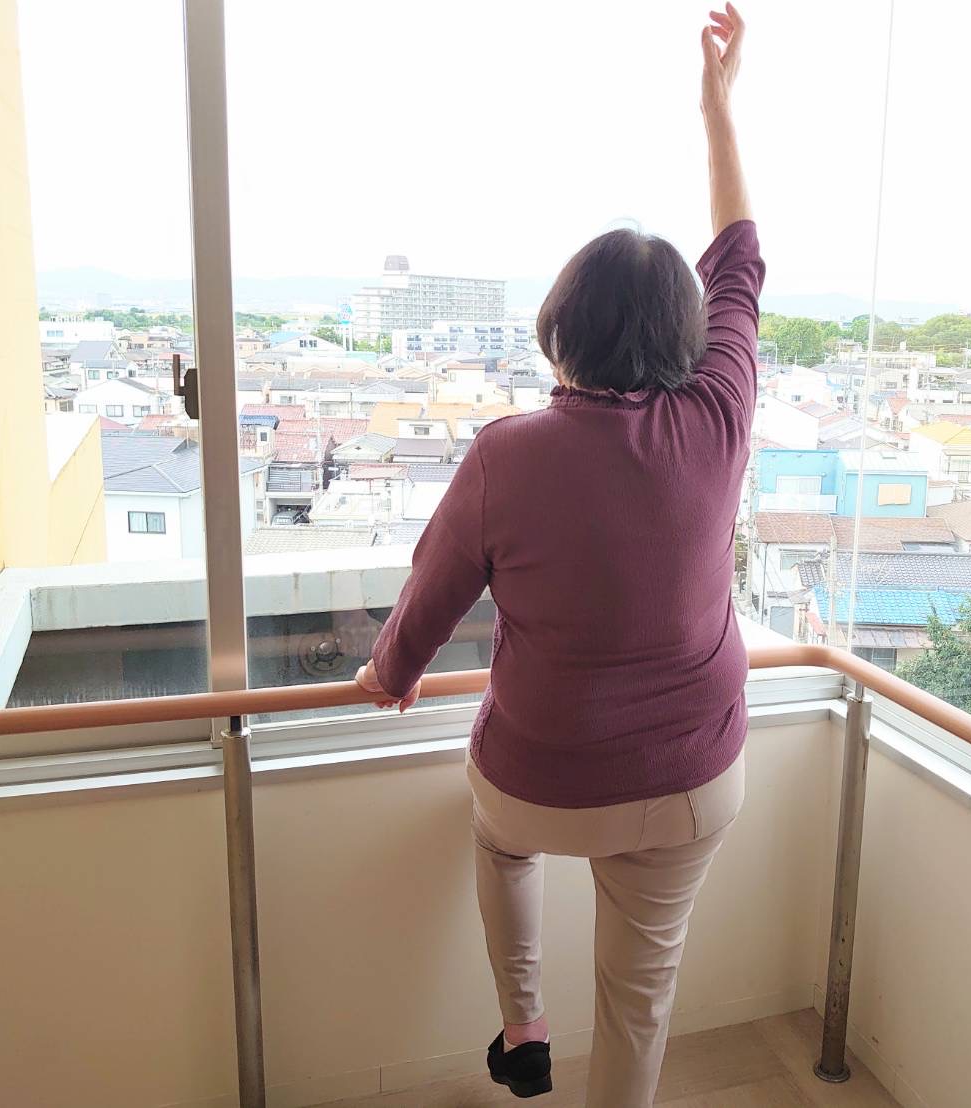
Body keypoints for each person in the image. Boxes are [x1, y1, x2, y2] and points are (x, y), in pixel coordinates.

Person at [355, 6, 760, 1103]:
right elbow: (738, 260)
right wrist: (717, 109)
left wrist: (389, 674)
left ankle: (523, 1023)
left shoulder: (508, 452)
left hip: (541, 779)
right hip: (693, 779)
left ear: (559, 330)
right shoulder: (719, 413)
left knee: (499, 842)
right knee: (641, 996)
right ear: (685, 341)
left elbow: (432, 596)